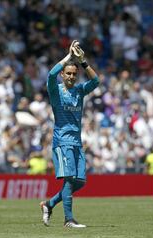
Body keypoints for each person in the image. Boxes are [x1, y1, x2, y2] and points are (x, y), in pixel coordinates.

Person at [40, 40, 99, 228]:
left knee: (80, 182)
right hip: (62, 141)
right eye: (68, 73)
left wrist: (83, 61)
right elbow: (50, 75)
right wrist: (68, 57)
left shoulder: (80, 91)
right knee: (70, 179)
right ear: (63, 75)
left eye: (74, 74)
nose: (72, 77)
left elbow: (96, 81)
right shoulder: (56, 91)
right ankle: (68, 220)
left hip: (77, 142)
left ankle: (49, 205)